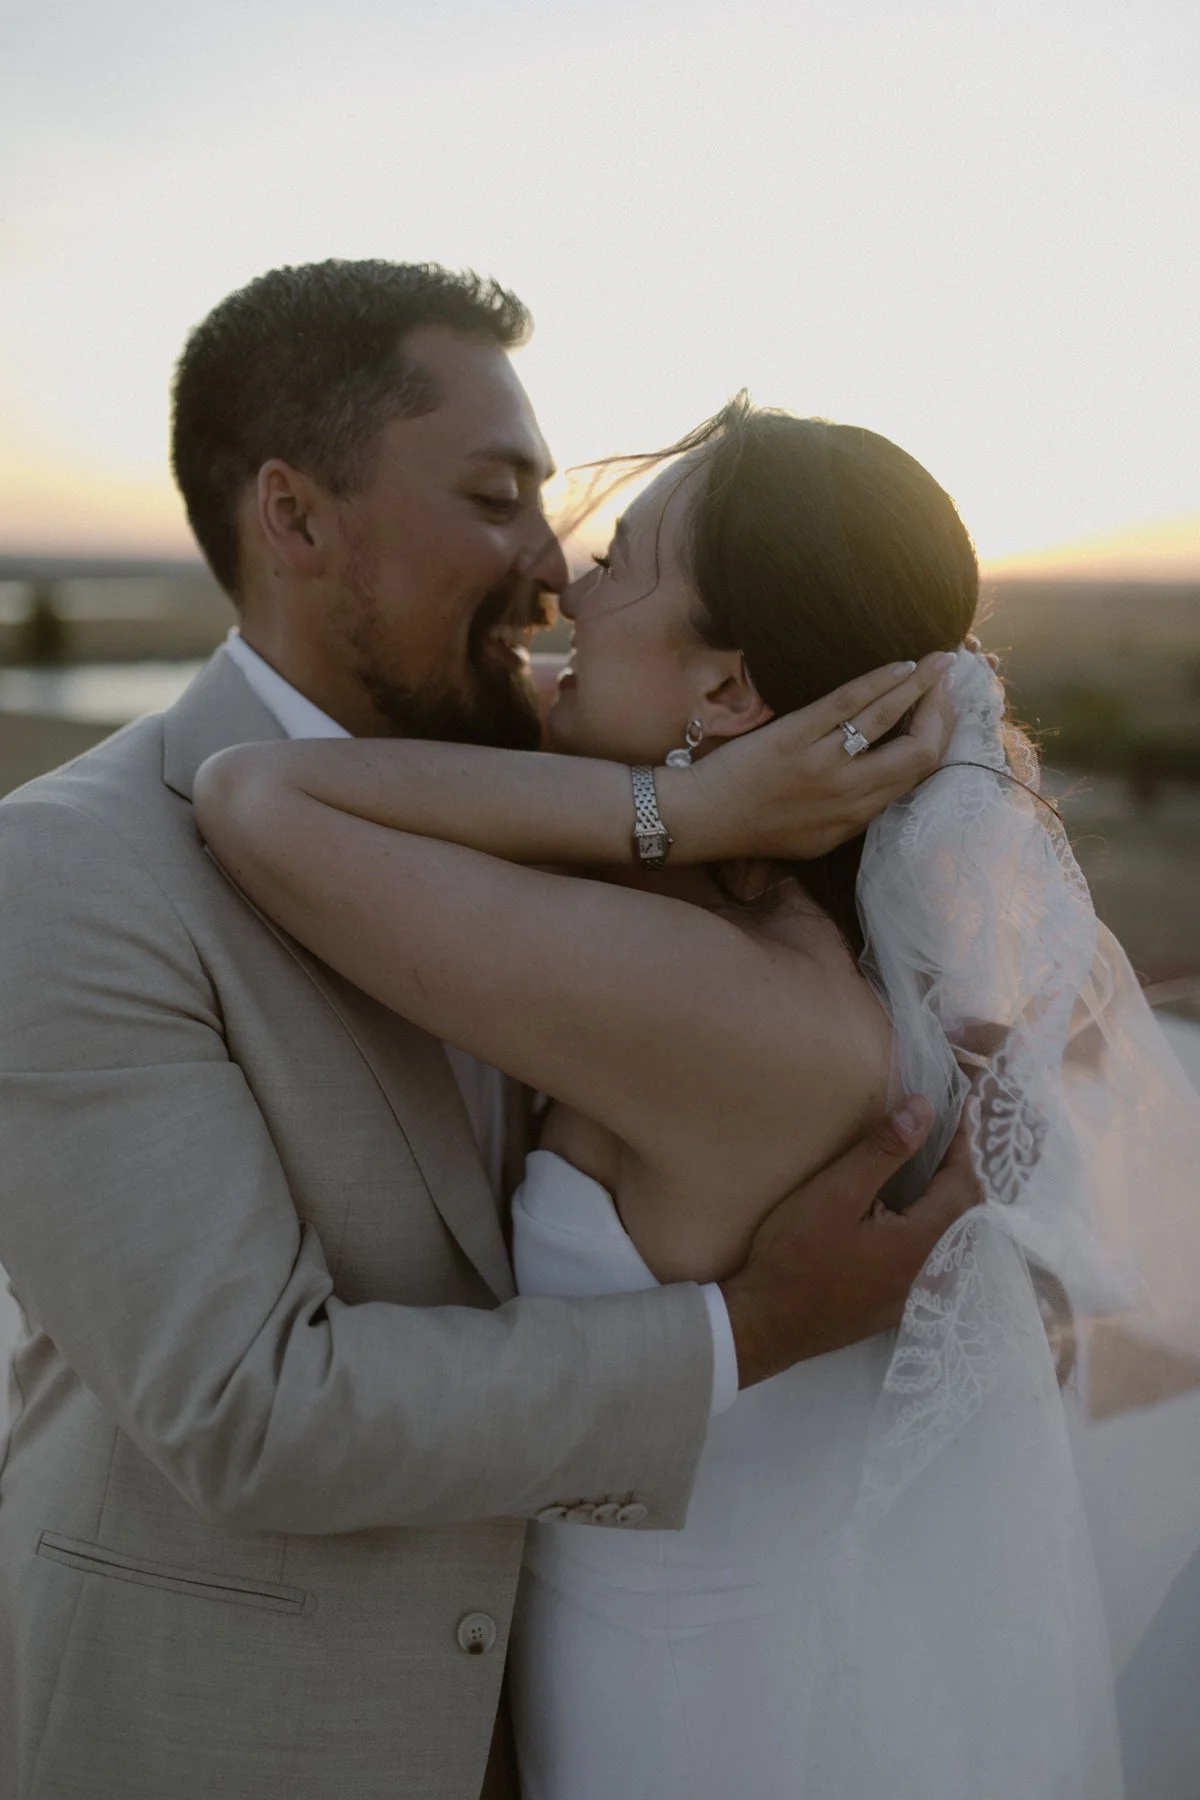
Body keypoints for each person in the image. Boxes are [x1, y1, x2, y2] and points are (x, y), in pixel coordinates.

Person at [0, 261, 974, 1800]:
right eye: (497, 494)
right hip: (219, 1739)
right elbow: (252, 1414)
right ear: (296, 516)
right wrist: (761, 1329)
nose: (552, 565)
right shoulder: (66, 872)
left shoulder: (586, 810)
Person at [195, 393, 1200, 1799]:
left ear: (727, 690)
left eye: (618, 566)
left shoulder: (739, 1010)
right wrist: (685, 822)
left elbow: (257, 799)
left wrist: (691, 809)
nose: (564, 583)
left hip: (702, 1724)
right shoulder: (770, 949)